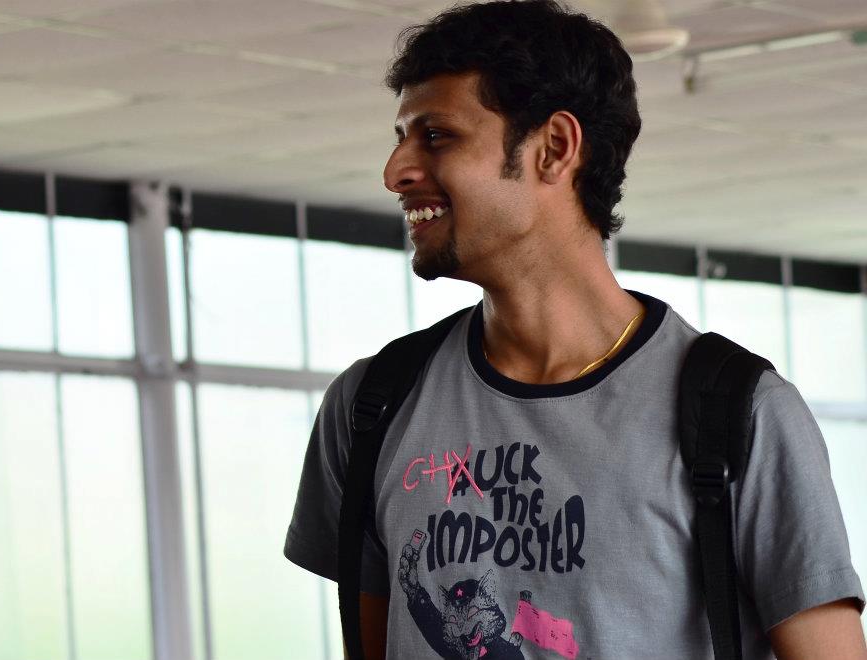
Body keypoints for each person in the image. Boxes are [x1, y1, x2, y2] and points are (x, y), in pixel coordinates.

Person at [284, 1, 867, 657]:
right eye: (400, 138)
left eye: (437, 136)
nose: (396, 171)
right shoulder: (372, 405)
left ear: (554, 148)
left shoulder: (740, 414)